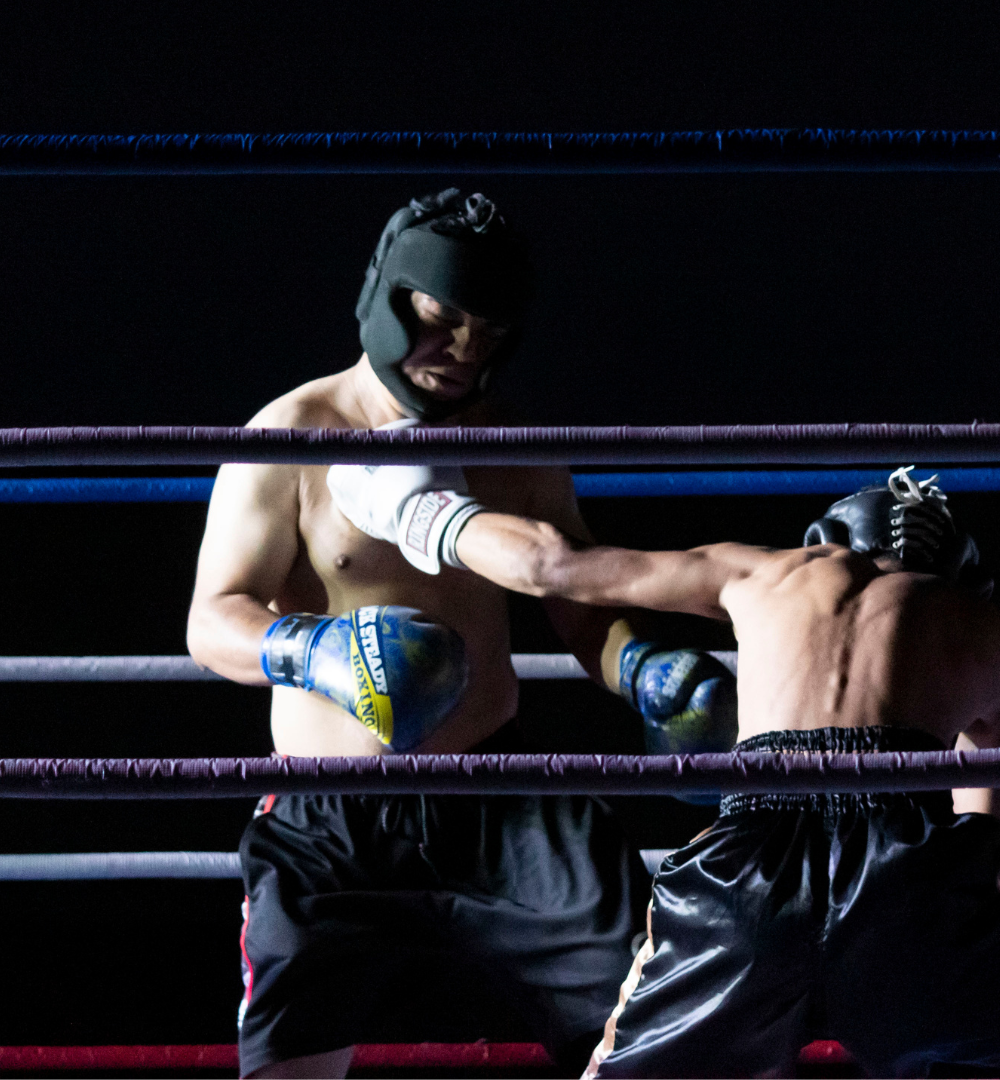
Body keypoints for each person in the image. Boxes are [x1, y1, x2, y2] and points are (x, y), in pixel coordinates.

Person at [328, 462, 1000, 1077]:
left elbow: (555, 566)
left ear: (829, 540)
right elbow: (983, 842)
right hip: (905, 870)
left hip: (751, 853)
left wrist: (411, 508)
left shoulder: (769, 572)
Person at [185, 189, 734, 1079]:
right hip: (334, 810)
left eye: (488, 330)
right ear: (389, 300)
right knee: (290, 1066)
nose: (463, 352)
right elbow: (213, 621)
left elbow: (578, 602)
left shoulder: (515, 440)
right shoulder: (293, 435)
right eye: (443, 320)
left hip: (498, 787)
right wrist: (314, 652)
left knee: (657, 1020)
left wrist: (639, 666)